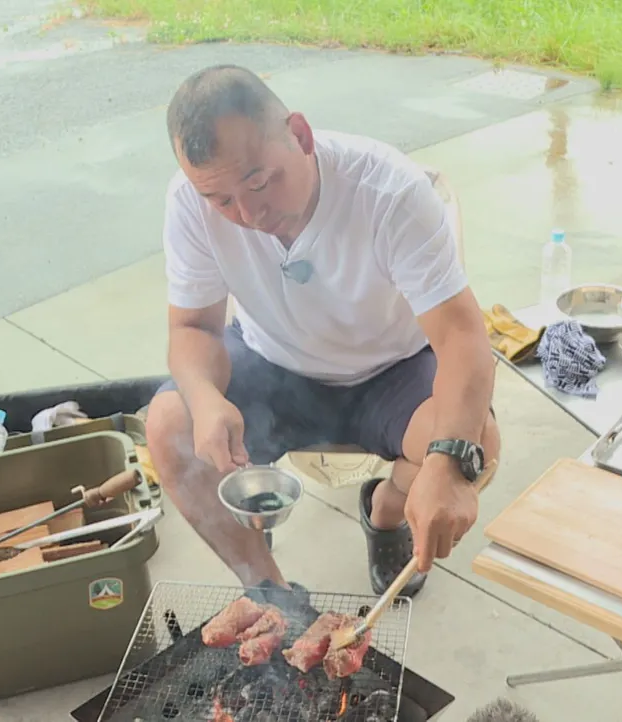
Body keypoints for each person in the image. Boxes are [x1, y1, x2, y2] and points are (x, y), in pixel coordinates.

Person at [145, 64, 500, 599]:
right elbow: (192, 327)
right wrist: (204, 396)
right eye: (221, 201)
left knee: (480, 444)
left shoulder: (388, 191)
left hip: (391, 368)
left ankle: (385, 510)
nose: (248, 214)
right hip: (273, 363)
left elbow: (462, 338)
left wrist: (448, 466)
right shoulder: (190, 201)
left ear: (300, 135)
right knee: (169, 423)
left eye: (259, 182)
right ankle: (272, 599)